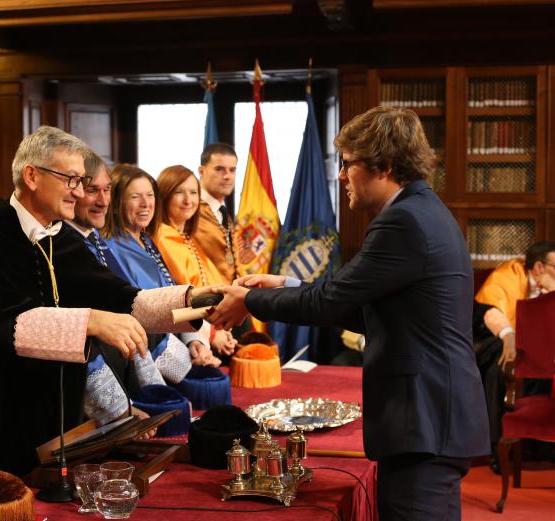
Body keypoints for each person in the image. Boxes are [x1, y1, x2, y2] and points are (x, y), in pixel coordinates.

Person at [209, 106, 490, 521]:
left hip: (424, 420)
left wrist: (248, 301)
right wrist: (285, 285)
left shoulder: (404, 221)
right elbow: (360, 308)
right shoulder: (420, 210)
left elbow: (330, 301)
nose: (341, 175)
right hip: (431, 418)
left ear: (385, 165)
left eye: (348, 163)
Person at [0, 126, 204, 478]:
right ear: (31, 175)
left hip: (55, 418)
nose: (79, 193)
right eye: (71, 180)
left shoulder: (60, 237)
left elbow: (123, 299)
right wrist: (90, 321)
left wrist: (198, 303)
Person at [65, 152, 165, 426]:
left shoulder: (95, 239)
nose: (103, 200)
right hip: (83, 401)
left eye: (107, 190)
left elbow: (131, 307)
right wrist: (121, 410)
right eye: (92, 190)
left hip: (127, 377)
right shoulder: (65, 243)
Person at [102, 162, 220, 373]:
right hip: (148, 358)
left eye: (150, 195)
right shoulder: (111, 249)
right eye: (135, 197)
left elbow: (174, 301)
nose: (146, 204)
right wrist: (189, 361)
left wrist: (196, 342)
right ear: (117, 202)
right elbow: (142, 317)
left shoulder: (146, 240)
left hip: (179, 344)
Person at [473, 240, 555, 469]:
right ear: (539, 267)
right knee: (501, 364)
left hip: (543, 348)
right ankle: (497, 448)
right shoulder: (508, 274)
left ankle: (542, 447)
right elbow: (490, 312)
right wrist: (509, 335)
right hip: (498, 341)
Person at [154, 164, 237, 359]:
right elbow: (182, 298)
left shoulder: (186, 237)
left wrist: (222, 327)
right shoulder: (163, 237)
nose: (188, 200)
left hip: (210, 325)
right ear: (164, 196)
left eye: (193, 192)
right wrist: (213, 333)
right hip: (188, 334)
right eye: (179, 192)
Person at [195, 143, 239, 284]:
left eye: (232, 170)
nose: (227, 176)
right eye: (219, 169)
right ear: (201, 171)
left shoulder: (222, 210)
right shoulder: (190, 209)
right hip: (200, 296)